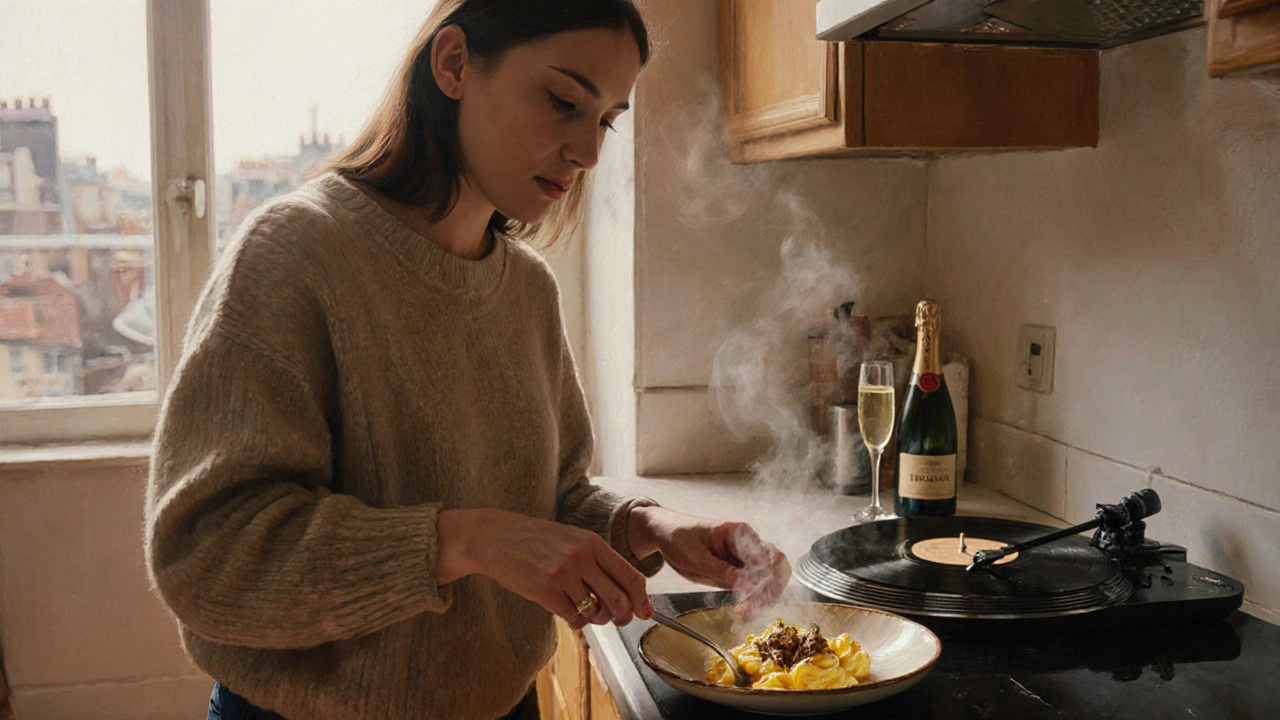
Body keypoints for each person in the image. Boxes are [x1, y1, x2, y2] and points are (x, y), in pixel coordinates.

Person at [144, 1, 791, 719]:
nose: (589, 152)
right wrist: (462, 539)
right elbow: (206, 560)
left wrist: (655, 527)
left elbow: (550, 502)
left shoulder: (526, 289)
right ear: (453, 64)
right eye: (562, 101)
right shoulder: (294, 255)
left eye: (606, 120)